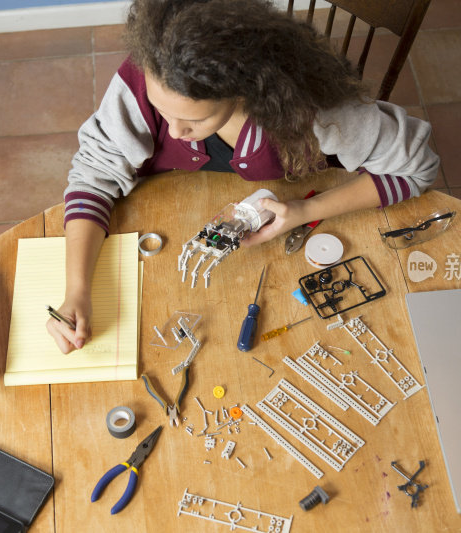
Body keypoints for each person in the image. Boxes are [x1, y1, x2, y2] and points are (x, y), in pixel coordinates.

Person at [47, 0, 439, 353]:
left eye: (194, 119)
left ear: (244, 91)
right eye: (159, 109)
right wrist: (77, 291)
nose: (174, 131)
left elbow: (416, 168)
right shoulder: (145, 75)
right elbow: (93, 175)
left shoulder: (312, 105)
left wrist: (305, 209)